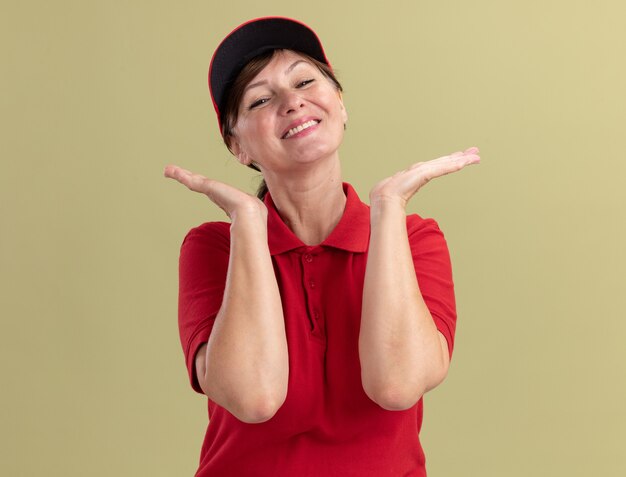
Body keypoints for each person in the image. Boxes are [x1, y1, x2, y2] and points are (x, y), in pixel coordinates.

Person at [164, 16, 480, 477]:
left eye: (306, 81)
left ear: (341, 105)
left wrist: (389, 207)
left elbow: (397, 385)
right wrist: (249, 223)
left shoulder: (413, 238)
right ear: (238, 148)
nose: (293, 103)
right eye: (261, 99)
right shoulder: (214, 248)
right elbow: (254, 397)